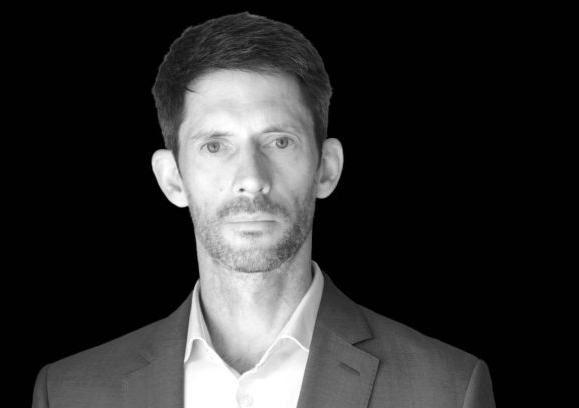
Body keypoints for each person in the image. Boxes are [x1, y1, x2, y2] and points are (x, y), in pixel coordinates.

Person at [32, 12, 495, 408]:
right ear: (172, 178)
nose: (251, 177)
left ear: (326, 168)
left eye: (279, 141)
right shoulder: (69, 393)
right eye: (215, 145)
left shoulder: (447, 389)